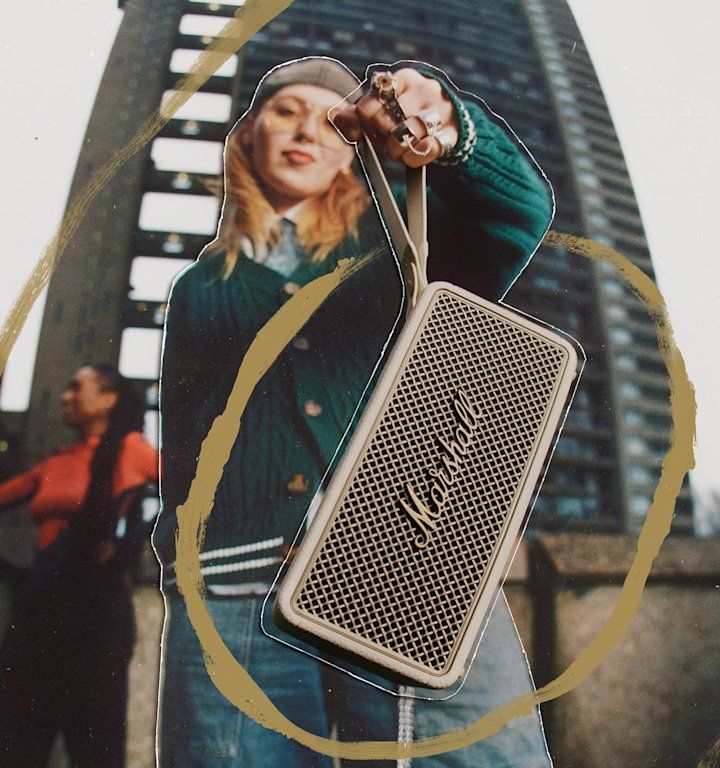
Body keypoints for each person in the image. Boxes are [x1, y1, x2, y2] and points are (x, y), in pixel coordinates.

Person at [153, 57, 554, 767]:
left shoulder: (401, 254)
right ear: (248, 135)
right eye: (284, 111)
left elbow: (518, 210)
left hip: (402, 570)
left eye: (331, 119)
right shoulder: (198, 287)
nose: (305, 128)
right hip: (231, 589)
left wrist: (450, 131)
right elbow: (183, 445)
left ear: (354, 148)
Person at [0, 365, 159, 768]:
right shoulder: (57, 461)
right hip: (38, 610)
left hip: (95, 615)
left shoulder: (133, 451)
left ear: (109, 399)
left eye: (76, 387)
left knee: (94, 744)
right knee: (17, 742)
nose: (64, 396)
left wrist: (130, 544)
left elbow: (197, 488)